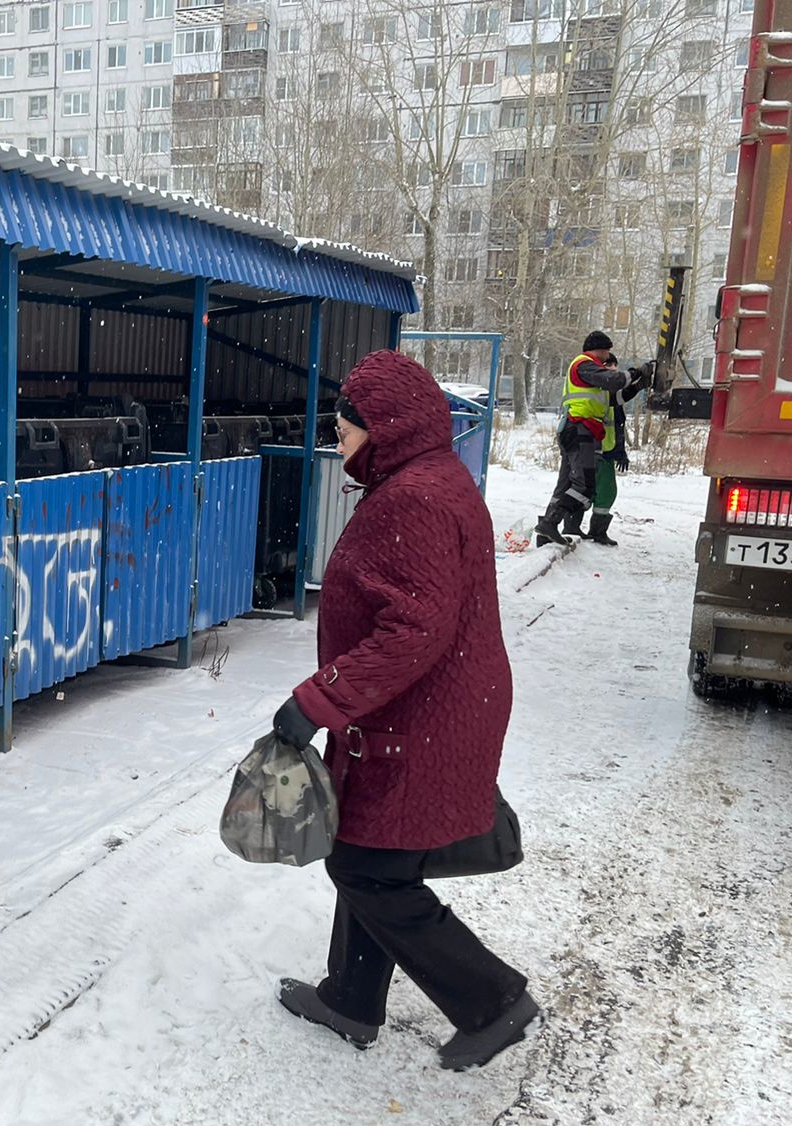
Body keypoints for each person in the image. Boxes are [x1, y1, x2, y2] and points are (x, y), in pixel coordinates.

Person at [269, 349, 537, 1071]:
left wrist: (317, 701)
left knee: (369, 869)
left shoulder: (411, 499)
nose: (339, 442)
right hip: (428, 707)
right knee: (365, 849)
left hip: (420, 718)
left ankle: (492, 1000)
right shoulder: (430, 479)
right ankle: (352, 1000)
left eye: (345, 430)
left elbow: (413, 631)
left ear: (383, 428)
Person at [536, 331, 634, 547]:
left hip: (577, 430)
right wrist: (635, 372)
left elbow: (615, 397)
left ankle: (545, 532)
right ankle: (551, 523)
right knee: (584, 486)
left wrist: (639, 382)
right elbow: (614, 379)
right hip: (581, 430)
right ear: (599, 349)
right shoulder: (585, 364)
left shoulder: (589, 372)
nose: (608, 356)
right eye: (607, 351)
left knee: (567, 483)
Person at [569, 353, 649, 546]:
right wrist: (637, 376)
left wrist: (620, 452)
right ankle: (572, 526)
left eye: (615, 365)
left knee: (605, 492)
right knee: (583, 490)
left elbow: (618, 425)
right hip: (592, 449)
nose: (612, 368)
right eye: (608, 364)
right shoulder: (596, 390)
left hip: (605, 451)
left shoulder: (606, 394)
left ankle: (595, 530)